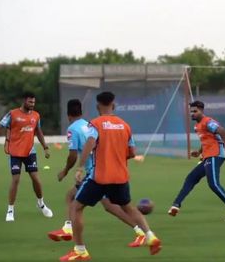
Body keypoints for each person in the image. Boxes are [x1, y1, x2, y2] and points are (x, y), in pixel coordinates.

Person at [60, 92, 161, 261]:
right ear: (113, 105)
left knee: (75, 207)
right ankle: (150, 236)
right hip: (120, 177)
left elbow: (90, 143)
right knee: (128, 207)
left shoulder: (96, 124)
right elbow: (132, 153)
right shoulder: (125, 125)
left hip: (100, 177)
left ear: (98, 106)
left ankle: (80, 251)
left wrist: (79, 168)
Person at [47, 99, 146, 248]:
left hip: (95, 172)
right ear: (81, 112)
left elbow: (73, 155)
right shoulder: (88, 125)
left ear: (68, 115)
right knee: (108, 205)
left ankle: (71, 233)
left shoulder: (73, 129)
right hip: (103, 168)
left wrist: (65, 171)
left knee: (74, 199)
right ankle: (140, 231)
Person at [167, 100, 225, 223]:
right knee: (191, 178)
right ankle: (176, 204)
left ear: (202, 111)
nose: (192, 114)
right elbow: (207, 140)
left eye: (195, 111)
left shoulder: (208, 122)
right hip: (208, 156)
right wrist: (198, 151)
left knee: (214, 184)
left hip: (215, 155)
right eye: (191, 111)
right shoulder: (197, 126)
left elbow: (222, 131)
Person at [0, 91, 53, 222]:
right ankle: (10, 210)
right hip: (15, 152)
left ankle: (41, 204)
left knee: (36, 179)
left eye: (34, 102)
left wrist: (45, 147)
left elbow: (38, 131)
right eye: (30, 102)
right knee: (15, 180)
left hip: (30, 152)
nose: (32, 104)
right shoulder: (12, 114)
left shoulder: (36, 116)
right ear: (24, 101)